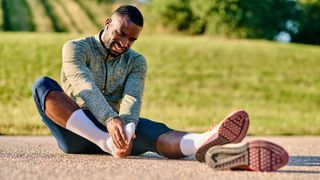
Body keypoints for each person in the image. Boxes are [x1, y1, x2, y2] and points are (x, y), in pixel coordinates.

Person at [32, 5, 287, 171]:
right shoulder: (76, 48)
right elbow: (84, 86)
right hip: (79, 130)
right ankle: (107, 144)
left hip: (117, 131)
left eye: (132, 39)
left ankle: (208, 145)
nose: (124, 43)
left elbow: (132, 97)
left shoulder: (136, 62)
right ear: (108, 22)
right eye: (120, 34)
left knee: (154, 131)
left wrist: (128, 127)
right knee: (43, 86)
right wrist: (110, 123)